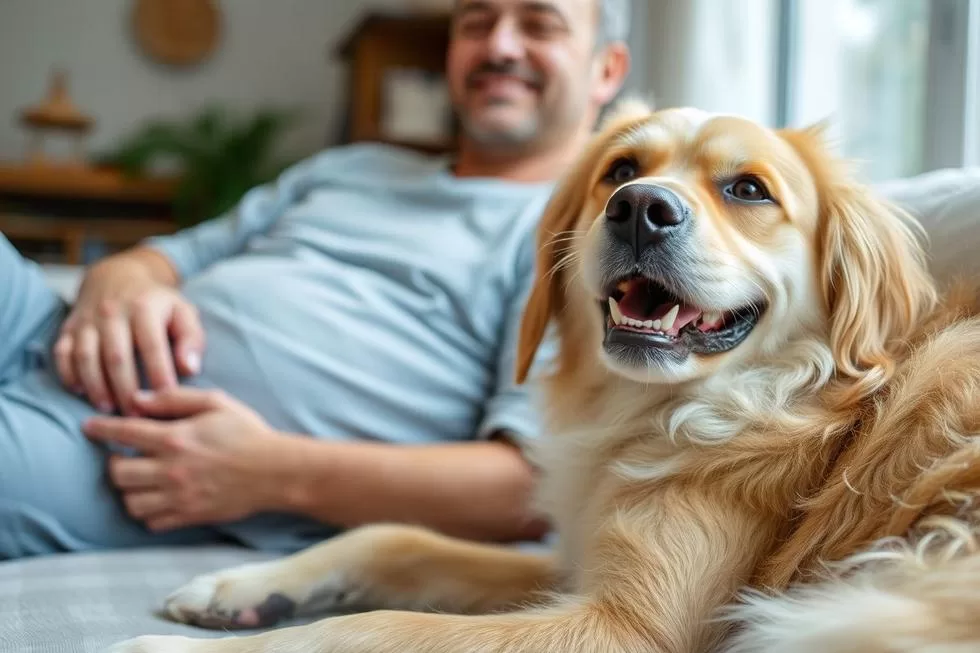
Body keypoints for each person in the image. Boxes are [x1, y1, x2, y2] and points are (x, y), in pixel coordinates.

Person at [0, 0, 631, 559]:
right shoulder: (351, 168)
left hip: (127, 445)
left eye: (539, 24)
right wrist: (120, 279)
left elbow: (530, 485)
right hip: (49, 326)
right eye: (476, 22)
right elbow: (161, 258)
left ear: (606, 69)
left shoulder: (573, 239)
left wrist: (269, 473)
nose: (499, 45)